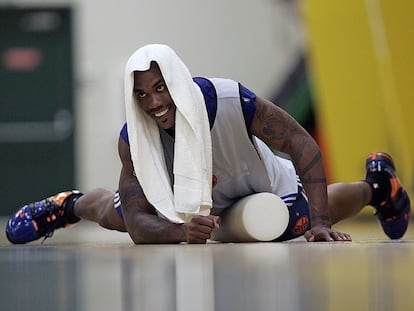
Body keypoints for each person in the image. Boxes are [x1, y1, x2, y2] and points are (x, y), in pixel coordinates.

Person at [5, 44, 411, 244]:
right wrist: (180, 232)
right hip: (186, 203)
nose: (155, 102)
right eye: (142, 95)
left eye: (160, 88)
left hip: (261, 188)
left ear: (178, 82)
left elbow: (302, 145)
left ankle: (378, 187)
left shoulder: (234, 100)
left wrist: (321, 223)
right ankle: (66, 205)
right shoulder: (135, 138)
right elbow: (138, 224)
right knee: (115, 213)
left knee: (295, 225)